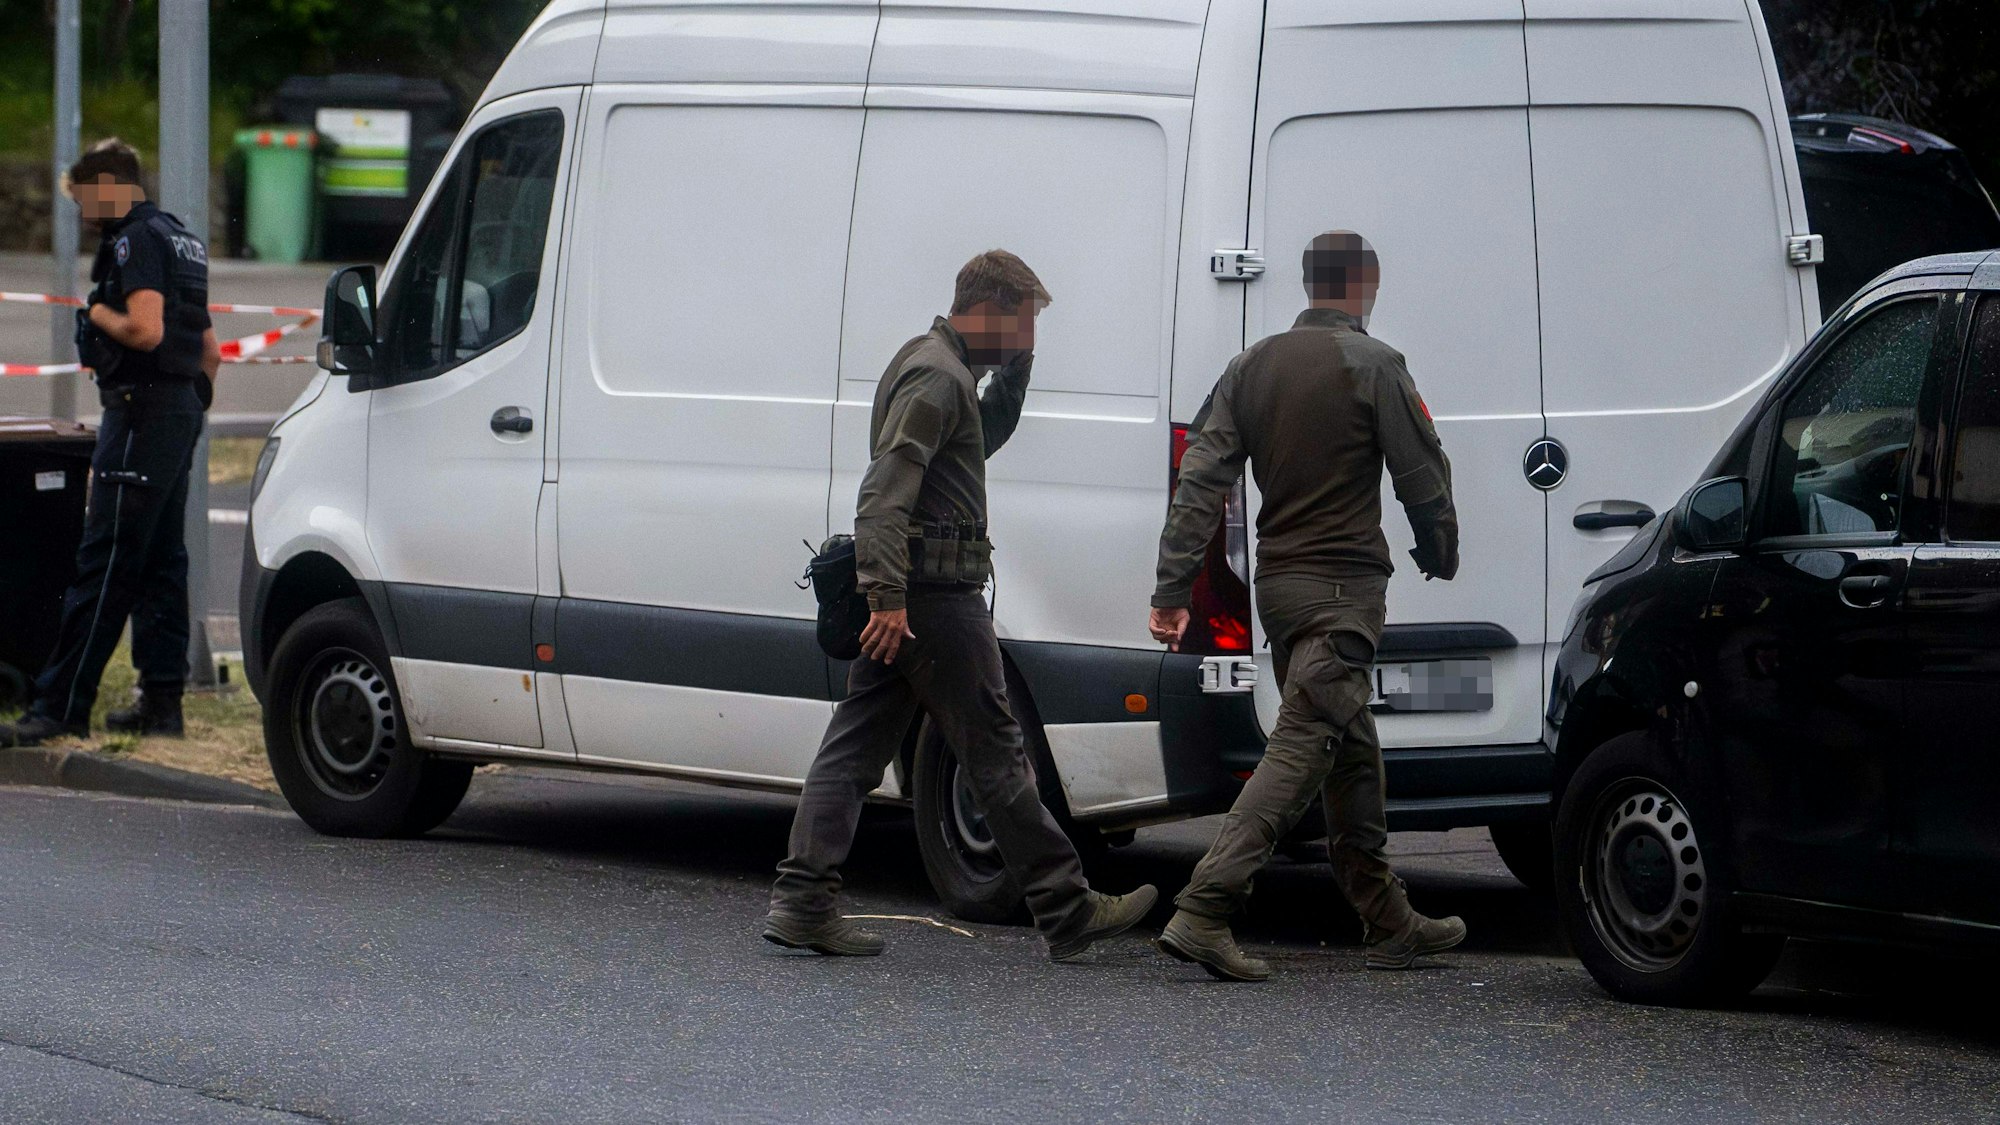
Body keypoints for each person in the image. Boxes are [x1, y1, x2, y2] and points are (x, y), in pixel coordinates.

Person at [764, 250, 1158, 959]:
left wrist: (1018, 371)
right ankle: (1065, 907)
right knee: (998, 752)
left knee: (854, 750)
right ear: (992, 307)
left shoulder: (940, 371)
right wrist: (885, 597)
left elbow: (979, 439)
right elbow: (883, 492)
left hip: (916, 600)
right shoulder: (935, 376)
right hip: (932, 603)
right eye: (1026, 324)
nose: (1030, 338)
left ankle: (802, 899)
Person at [1148, 231, 1465, 981]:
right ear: (1367, 286)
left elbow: (1200, 479)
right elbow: (1422, 472)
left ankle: (1388, 919)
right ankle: (1205, 907)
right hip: (1343, 592)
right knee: (1301, 747)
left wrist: (1170, 589)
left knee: (1346, 743)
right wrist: (1440, 549)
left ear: (1307, 283)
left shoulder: (1250, 366)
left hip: (1281, 593)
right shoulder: (1376, 364)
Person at [0, 139, 219, 747]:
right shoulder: (181, 238)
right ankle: (162, 704)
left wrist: (97, 314)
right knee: (159, 563)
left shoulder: (135, 240)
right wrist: (189, 407)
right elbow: (208, 351)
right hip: (174, 410)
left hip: (140, 410)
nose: (81, 211)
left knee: (107, 561)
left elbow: (145, 331)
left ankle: (60, 707)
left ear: (110, 185)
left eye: (84, 198)